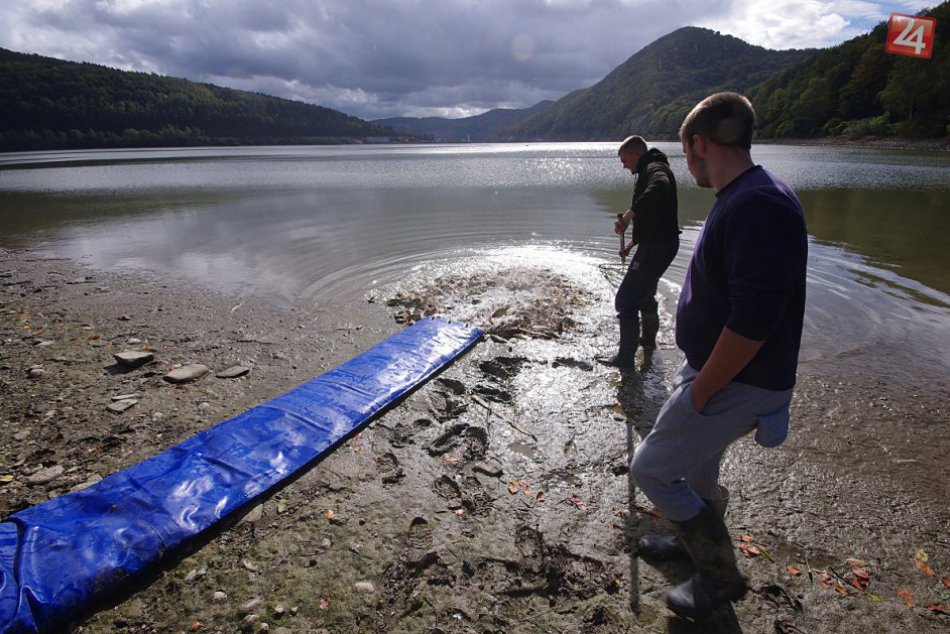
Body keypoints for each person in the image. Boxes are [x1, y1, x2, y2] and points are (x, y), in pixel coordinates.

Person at [629, 92, 808, 619]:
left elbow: (755, 319)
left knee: (654, 469)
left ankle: (719, 577)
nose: (688, 166)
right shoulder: (745, 194)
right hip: (718, 370)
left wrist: (704, 388)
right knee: (699, 474)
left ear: (700, 142)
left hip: (734, 379)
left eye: (687, 154)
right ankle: (693, 546)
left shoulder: (759, 204)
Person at [598, 135, 680, 368]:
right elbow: (656, 218)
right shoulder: (650, 167)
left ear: (636, 154)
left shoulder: (655, 169)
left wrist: (628, 214)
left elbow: (660, 188)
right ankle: (648, 341)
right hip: (660, 243)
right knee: (644, 293)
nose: (624, 165)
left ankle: (625, 358)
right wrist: (631, 245)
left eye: (625, 160)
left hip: (658, 246)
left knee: (625, 299)